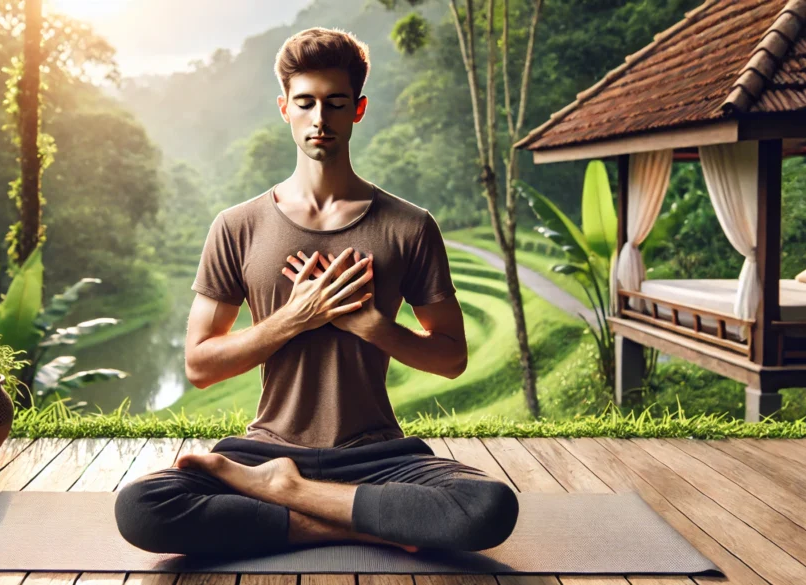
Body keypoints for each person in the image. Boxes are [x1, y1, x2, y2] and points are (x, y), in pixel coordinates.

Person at [115, 26, 518, 558]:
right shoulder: (237, 226)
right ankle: (357, 519)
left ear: (359, 109)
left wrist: (372, 325)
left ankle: (290, 495)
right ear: (284, 108)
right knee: (142, 507)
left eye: (335, 103)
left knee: (488, 506)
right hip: (264, 448)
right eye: (305, 103)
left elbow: (451, 358)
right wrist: (296, 317)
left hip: (379, 454)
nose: (320, 119)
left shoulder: (410, 226)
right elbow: (199, 364)